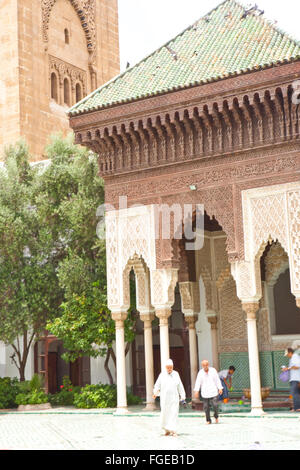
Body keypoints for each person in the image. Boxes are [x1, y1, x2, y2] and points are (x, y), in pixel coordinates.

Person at [152, 359, 186, 437]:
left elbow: (180, 386)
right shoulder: (162, 375)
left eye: (170, 367)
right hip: (164, 399)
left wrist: (182, 396)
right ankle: (166, 430)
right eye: (168, 367)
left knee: (174, 414)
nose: (169, 369)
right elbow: (157, 385)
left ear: (172, 367)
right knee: (165, 414)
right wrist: (155, 392)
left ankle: (173, 430)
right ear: (165, 367)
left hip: (174, 398)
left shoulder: (176, 374)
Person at [194, 359, 223, 424]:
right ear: (202, 366)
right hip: (205, 392)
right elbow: (198, 382)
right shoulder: (200, 373)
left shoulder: (213, 370)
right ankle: (208, 420)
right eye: (204, 365)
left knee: (215, 405)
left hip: (213, 391)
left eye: (206, 365)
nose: (205, 366)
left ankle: (216, 416)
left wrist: (220, 388)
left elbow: (217, 380)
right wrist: (196, 391)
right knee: (206, 407)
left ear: (208, 365)